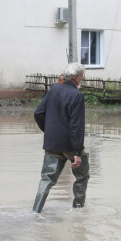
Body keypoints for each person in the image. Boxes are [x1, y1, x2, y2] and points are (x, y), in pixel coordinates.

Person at [32, 62, 90, 213]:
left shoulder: (54, 89)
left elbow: (38, 113)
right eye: (82, 75)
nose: (83, 78)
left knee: (46, 179)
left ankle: (36, 211)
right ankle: (78, 210)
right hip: (71, 146)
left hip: (52, 143)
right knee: (82, 176)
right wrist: (77, 153)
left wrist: (50, 131)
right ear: (76, 78)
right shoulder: (77, 95)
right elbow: (77, 126)